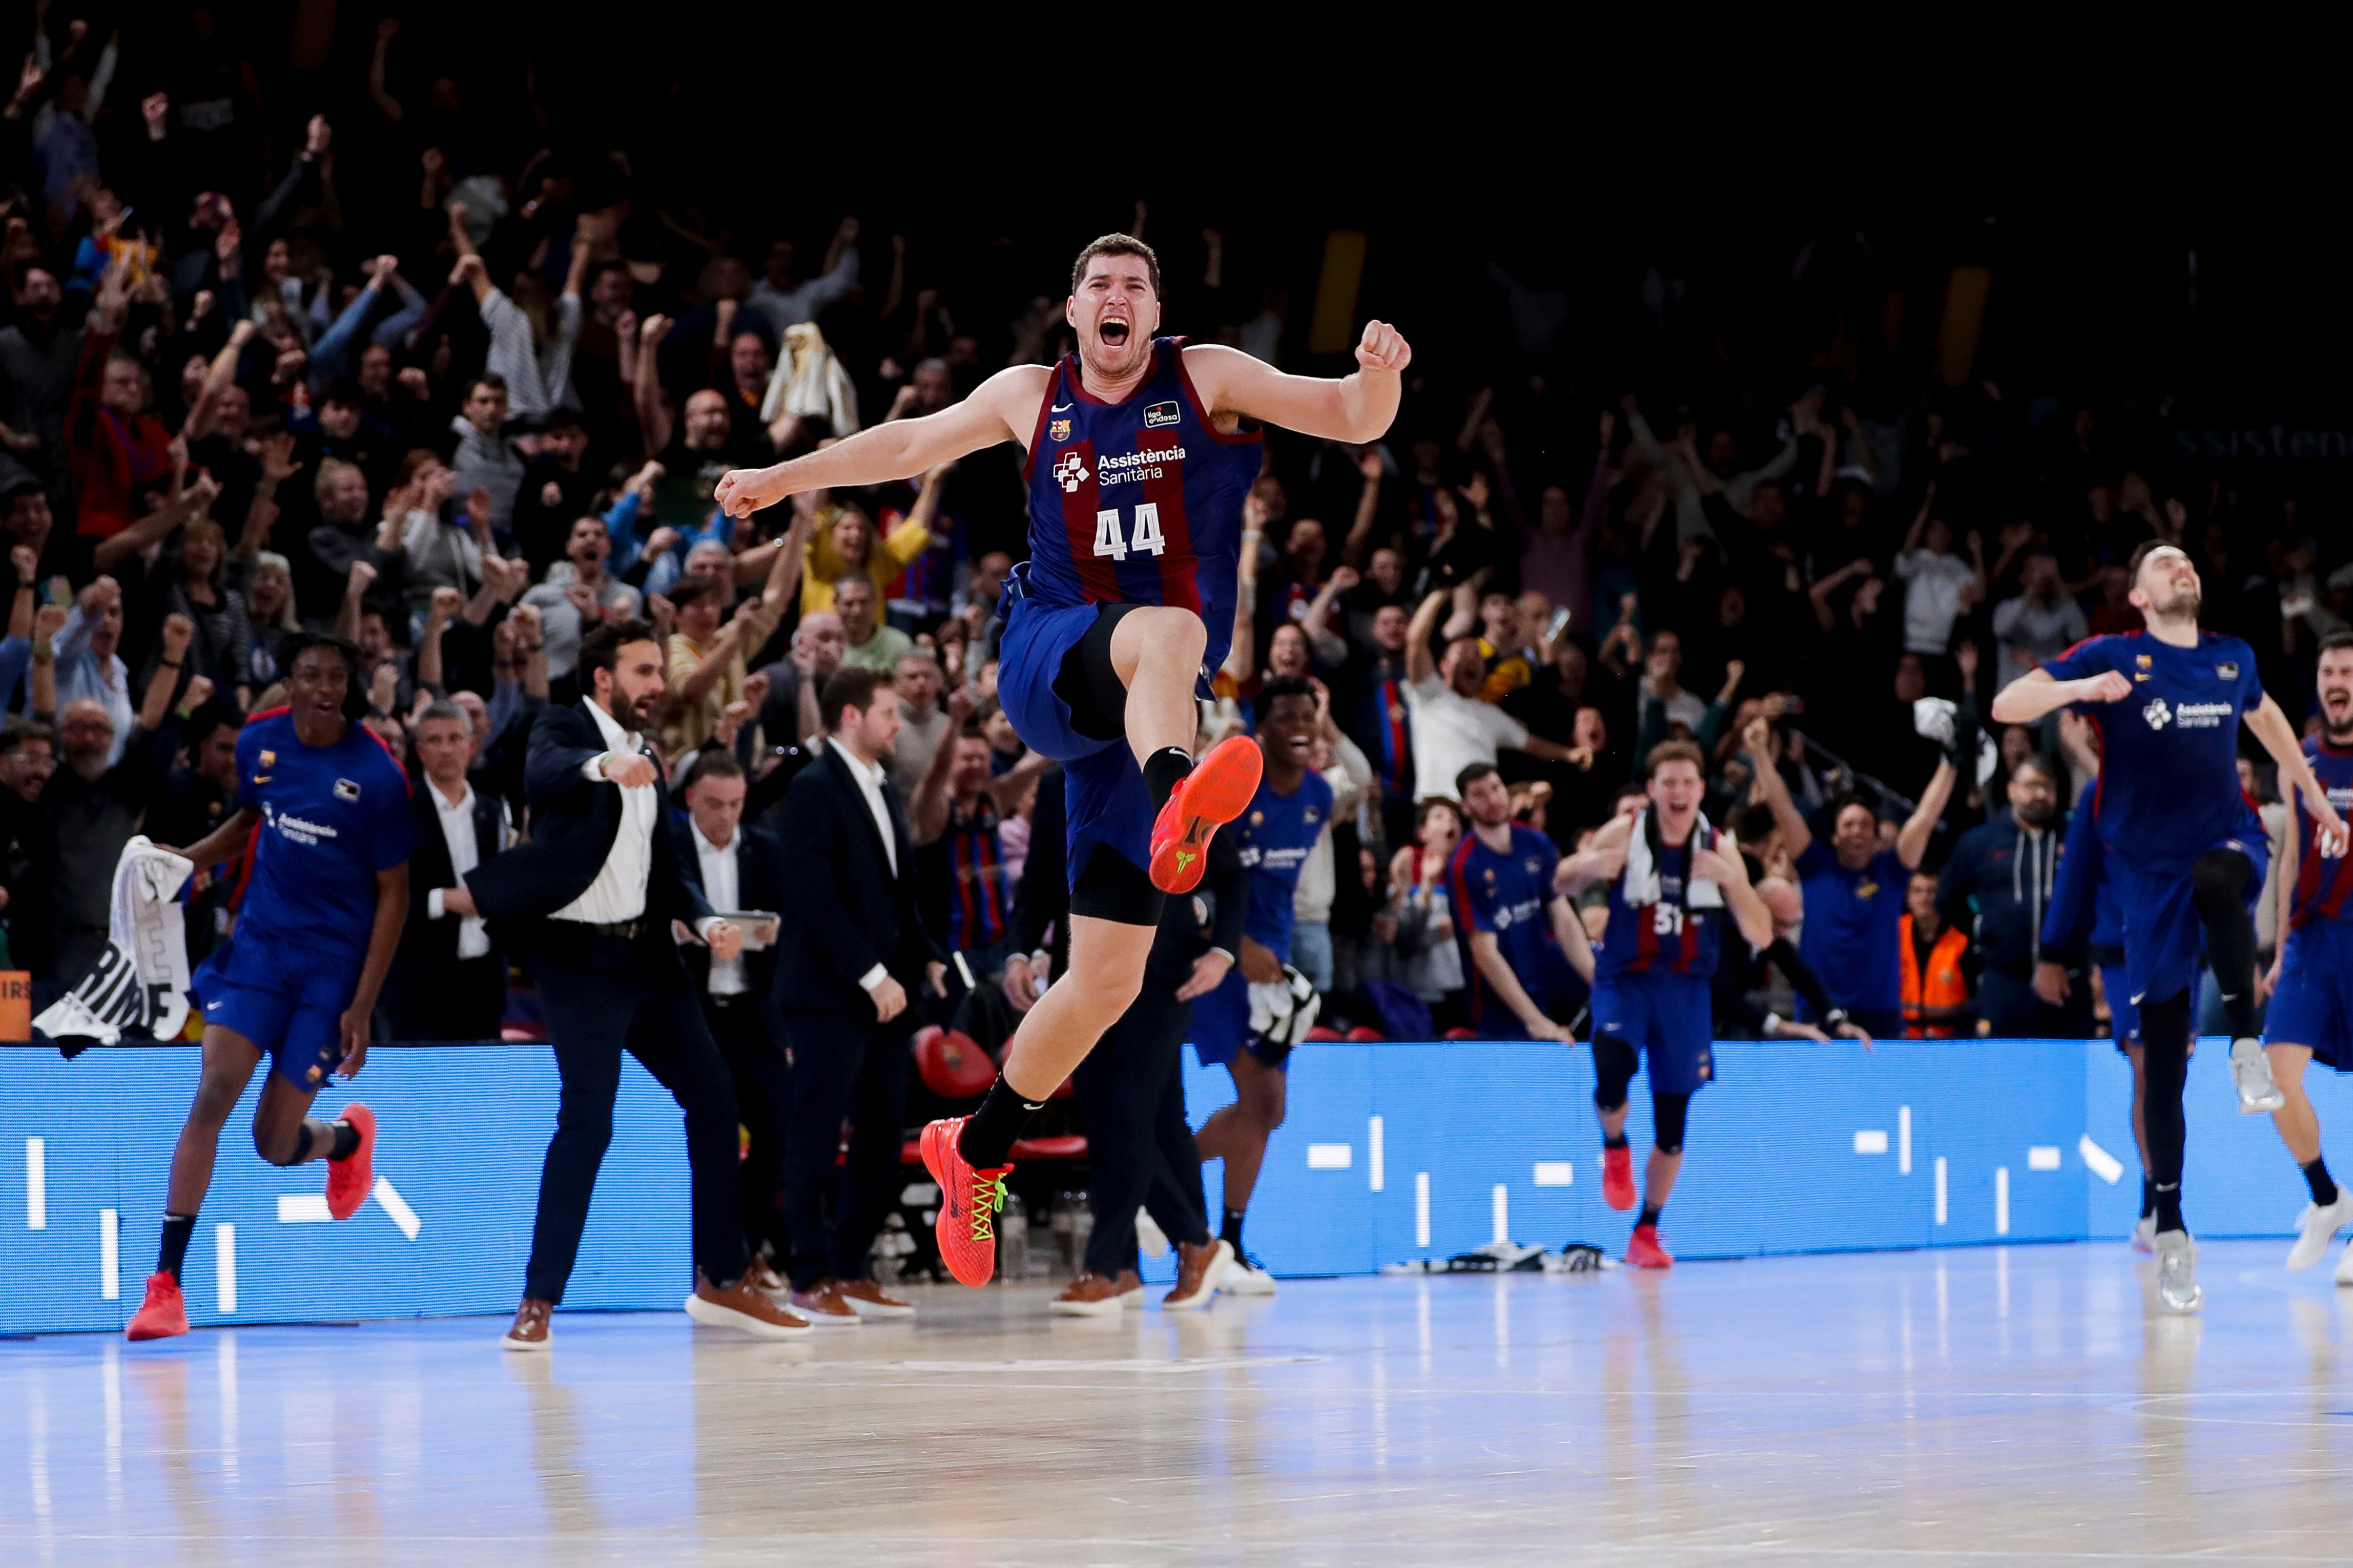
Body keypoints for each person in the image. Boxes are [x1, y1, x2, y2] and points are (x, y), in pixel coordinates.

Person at [715, 233, 1411, 1288]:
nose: (1118, 296)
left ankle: (977, 1145)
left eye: (1137, 283)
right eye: (1101, 285)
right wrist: (781, 476)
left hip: (1134, 721)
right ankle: (1183, 798)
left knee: (1107, 980)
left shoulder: (1205, 377)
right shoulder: (1028, 394)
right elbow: (905, 446)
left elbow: (1347, 418)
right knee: (1172, 630)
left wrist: (1377, 378)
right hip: (1051, 658)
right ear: (1074, 312)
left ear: (1155, 309)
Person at [1992, 540, 2349, 1314]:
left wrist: (2315, 800)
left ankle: (2248, 1047)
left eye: (2188, 560)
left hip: (2225, 836)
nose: (2181, 567)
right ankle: (2174, 1228)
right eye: (2164, 564)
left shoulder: (2232, 658)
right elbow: (2007, 704)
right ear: (2142, 596)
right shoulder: (2115, 653)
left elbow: (2272, 723)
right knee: (2161, 1058)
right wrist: (2084, 687)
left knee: (2222, 878)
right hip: (2144, 876)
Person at [461, 619, 807, 1347]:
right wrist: (602, 768)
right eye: (645, 671)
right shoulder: (561, 726)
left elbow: (663, 867)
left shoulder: (648, 751)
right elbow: (544, 770)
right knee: (589, 1120)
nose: (659, 684)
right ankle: (538, 1300)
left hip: (649, 960)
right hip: (579, 964)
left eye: (658, 670)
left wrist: (706, 918)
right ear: (603, 678)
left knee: (716, 1098)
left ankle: (721, 1277)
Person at [126, 634, 412, 1342]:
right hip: (259, 947)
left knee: (271, 1141)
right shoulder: (259, 742)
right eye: (310, 674)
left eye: (336, 677)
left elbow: (395, 894)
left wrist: (364, 1004)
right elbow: (252, 822)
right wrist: (189, 861)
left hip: (331, 969)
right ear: (289, 680)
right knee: (214, 1090)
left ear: (348, 686)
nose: (323, 687)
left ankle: (344, 1141)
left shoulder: (377, 776)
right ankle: (165, 1288)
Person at [1554, 739, 1772, 1267]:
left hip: (1685, 992)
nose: (1678, 793)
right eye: (1667, 783)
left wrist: (1733, 886)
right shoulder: (1625, 832)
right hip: (1626, 980)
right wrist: (1587, 864)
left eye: (1687, 784)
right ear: (1651, 790)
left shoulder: (1718, 849)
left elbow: (1762, 933)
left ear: (1700, 790)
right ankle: (1614, 1147)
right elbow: (1556, 883)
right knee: (1611, 1071)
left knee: (1673, 1124)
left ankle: (1646, 1230)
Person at [772, 667, 938, 1322]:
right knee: (814, 1133)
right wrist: (870, 973)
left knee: (879, 1133)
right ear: (850, 717)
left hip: (887, 995)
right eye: (887, 712)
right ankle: (807, 1275)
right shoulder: (812, 787)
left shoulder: (883, 786)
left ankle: (851, 1264)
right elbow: (813, 897)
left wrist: (924, 959)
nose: (897, 723)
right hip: (828, 995)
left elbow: (898, 892)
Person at [1188, 677, 1333, 1295]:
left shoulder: (1319, 795)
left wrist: (1270, 951)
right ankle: (1161, 1191)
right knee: (1261, 1098)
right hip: (1217, 956)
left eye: (1309, 714)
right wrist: (1230, 942)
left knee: (1268, 1109)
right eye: (1286, 716)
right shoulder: (1229, 785)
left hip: (1271, 963)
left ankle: (1229, 1242)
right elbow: (1186, 867)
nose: (1300, 725)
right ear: (1260, 727)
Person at [1745, 713, 1956, 1039]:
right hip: (1819, 1009)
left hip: (1881, 1012)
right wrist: (1759, 752)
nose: (1857, 831)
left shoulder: (1892, 871)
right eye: (1848, 825)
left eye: (1865, 826)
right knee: (1812, 1090)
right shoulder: (1815, 864)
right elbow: (1782, 806)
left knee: (1881, 1092)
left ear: (1876, 838)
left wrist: (1951, 762)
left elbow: (1925, 818)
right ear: (1834, 836)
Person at [669, 751, 794, 1292]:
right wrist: (681, 932)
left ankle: (744, 1247)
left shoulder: (766, 848)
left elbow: (794, 924)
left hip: (751, 1007)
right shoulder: (669, 850)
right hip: (692, 1011)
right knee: (713, 1135)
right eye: (715, 803)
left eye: (736, 804)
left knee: (778, 1130)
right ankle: (715, 1259)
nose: (726, 815)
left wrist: (773, 932)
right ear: (692, 798)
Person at [2258, 632, 2353, 1278]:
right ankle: (2326, 1197)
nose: (2337, 680)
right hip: (2312, 939)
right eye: (2328, 671)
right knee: (2272, 1075)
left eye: (2347, 670)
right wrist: (2279, 947)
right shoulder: (2300, 759)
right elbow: (2291, 854)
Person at [386, 700, 509, 1041]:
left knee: (480, 1087)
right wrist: (442, 900)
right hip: (419, 986)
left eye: (455, 738)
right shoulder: (400, 809)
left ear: (472, 746)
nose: (446, 748)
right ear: (420, 750)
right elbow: (378, 895)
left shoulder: (490, 810)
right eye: (435, 740)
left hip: (483, 983)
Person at [1456, 762, 1596, 1040]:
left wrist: (1599, 984)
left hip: (1543, 980)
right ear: (1465, 806)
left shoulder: (1535, 843)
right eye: (1479, 795)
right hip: (1497, 1005)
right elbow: (1485, 952)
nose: (1492, 799)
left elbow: (1564, 918)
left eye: (1496, 789)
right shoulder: (1466, 864)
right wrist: (1534, 1021)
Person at [1937, 755, 2070, 1037]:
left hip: (2066, 980)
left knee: (2068, 1075)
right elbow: (1947, 899)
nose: (2040, 794)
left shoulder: (2073, 839)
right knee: (2000, 1073)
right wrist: (1982, 929)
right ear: (2011, 790)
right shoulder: (1980, 841)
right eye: (2032, 786)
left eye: (2048, 787)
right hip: (2002, 979)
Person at [1898, 871, 1972, 1039]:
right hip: (1900, 1037)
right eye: (1917, 891)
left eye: (1932, 891)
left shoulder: (1961, 941)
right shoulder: (1893, 936)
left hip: (1950, 1039)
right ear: (1908, 897)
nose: (1925, 897)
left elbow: (1974, 1001)